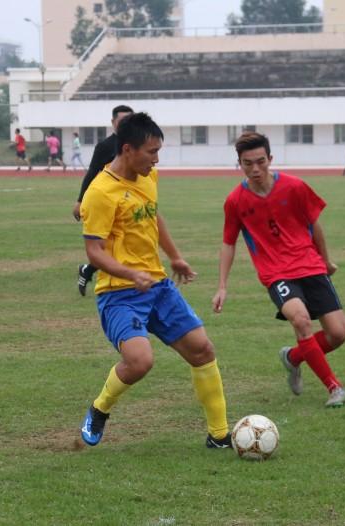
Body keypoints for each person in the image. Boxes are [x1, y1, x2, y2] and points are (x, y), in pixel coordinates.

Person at [79, 112, 231, 448]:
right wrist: (129, 272)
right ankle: (100, 408)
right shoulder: (100, 193)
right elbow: (94, 252)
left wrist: (174, 256)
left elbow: (153, 215)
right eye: (151, 152)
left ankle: (219, 436)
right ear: (128, 149)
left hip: (159, 287)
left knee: (202, 350)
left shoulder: (148, 177)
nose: (156, 159)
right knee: (140, 361)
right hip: (119, 294)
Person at [212, 132, 345, 408]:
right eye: (247, 163)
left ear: (270, 159)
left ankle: (293, 358)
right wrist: (222, 286)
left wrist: (325, 260)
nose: (255, 169)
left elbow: (315, 225)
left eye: (260, 162)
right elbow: (229, 244)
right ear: (239, 163)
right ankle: (334, 388)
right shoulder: (235, 201)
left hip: (309, 264)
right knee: (300, 320)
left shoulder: (295, 186)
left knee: (337, 334)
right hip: (276, 273)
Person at [73, 104, 134, 296]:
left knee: (121, 243)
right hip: (109, 203)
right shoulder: (105, 147)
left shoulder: (137, 145)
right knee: (108, 244)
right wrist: (80, 201)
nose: (126, 125)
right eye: (122, 121)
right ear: (113, 122)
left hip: (130, 202)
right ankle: (95, 272)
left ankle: (88, 270)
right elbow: (91, 174)